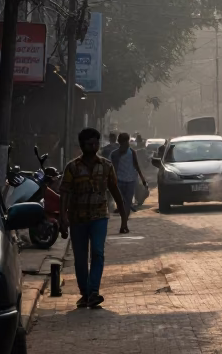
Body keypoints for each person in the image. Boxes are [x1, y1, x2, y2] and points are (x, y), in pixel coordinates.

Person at [59, 128, 127, 309]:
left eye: (96, 143)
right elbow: (64, 192)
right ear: (82, 145)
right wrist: (63, 217)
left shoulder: (106, 166)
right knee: (80, 258)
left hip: (99, 217)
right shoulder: (72, 167)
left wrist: (124, 218)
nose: (93, 146)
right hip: (77, 218)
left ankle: (94, 291)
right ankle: (85, 293)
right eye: (89, 144)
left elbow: (114, 190)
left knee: (97, 252)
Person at [108, 132, 147, 223]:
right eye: (124, 142)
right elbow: (110, 168)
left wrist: (143, 179)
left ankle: (124, 221)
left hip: (131, 181)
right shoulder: (114, 154)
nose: (126, 144)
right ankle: (124, 219)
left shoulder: (132, 152)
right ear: (121, 143)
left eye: (127, 142)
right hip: (119, 181)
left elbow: (137, 166)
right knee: (121, 202)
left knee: (128, 201)